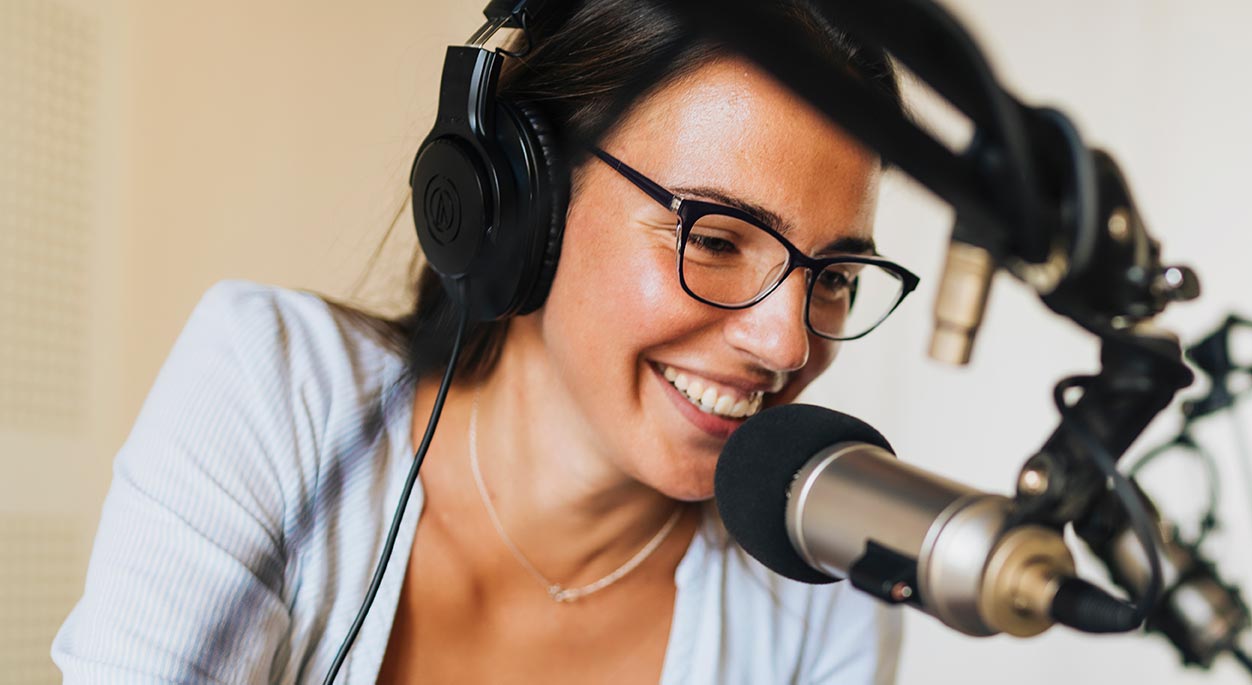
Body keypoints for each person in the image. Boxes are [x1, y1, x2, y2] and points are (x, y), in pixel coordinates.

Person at [53, 1, 915, 682]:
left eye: (834, 276)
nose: (786, 343)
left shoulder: (822, 589)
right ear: (525, 197)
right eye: (717, 240)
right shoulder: (273, 387)